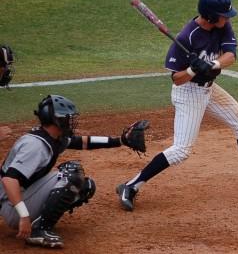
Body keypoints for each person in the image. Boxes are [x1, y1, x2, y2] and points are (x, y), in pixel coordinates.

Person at [116, 0, 238, 212]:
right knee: (181, 150)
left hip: (209, 90)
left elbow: (230, 54)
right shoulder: (187, 37)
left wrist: (213, 65)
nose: (227, 18)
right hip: (188, 93)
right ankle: (130, 186)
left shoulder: (222, 25)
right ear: (211, 15)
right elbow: (177, 79)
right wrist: (192, 69)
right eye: (224, 15)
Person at [1, 95, 148, 248]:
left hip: (21, 196)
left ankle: (38, 221)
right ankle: (39, 231)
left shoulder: (52, 137)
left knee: (85, 186)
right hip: (12, 206)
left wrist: (121, 140)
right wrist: (23, 216)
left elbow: (83, 142)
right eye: (67, 118)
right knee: (71, 174)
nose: (71, 121)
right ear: (56, 120)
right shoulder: (36, 146)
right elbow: (9, 180)